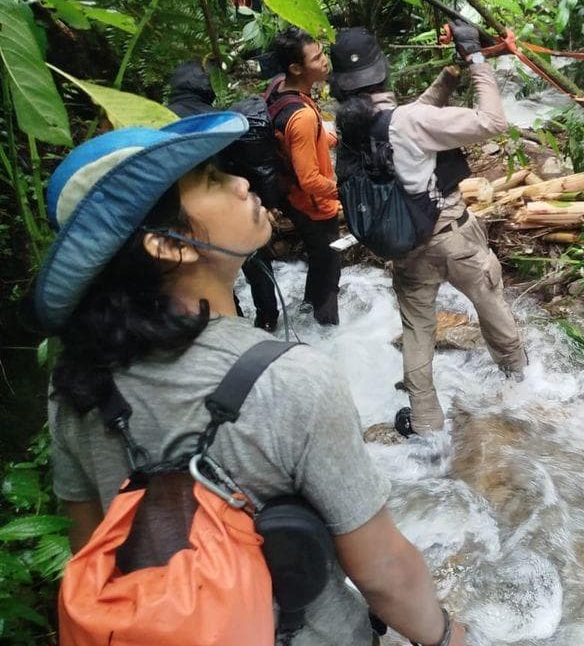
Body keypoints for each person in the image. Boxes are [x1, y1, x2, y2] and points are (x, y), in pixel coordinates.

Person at [35, 112, 467, 646]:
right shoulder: (291, 379)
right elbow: (382, 571)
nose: (242, 183)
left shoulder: (75, 385)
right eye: (213, 182)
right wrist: (448, 636)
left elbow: (92, 550)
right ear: (167, 244)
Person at [330, 24, 527, 436]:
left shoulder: (347, 130)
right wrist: (475, 60)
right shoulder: (409, 121)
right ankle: (522, 384)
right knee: (489, 301)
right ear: (382, 72)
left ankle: (425, 422)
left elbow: (408, 120)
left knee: (418, 330)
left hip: (405, 249)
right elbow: (493, 121)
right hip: (454, 237)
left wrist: (450, 75)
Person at [167, 59, 279, 332]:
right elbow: (246, 165)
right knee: (256, 267)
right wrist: (267, 201)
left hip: (182, 220)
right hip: (227, 209)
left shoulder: (159, 122)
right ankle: (267, 319)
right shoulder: (217, 119)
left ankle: (233, 321)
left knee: (212, 276)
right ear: (205, 88)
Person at [266, 27, 342, 326]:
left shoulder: (278, 88)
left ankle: (309, 308)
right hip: (312, 204)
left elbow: (293, 142)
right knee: (328, 267)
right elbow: (311, 180)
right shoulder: (304, 117)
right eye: (317, 57)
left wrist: (328, 140)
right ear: (296, 68)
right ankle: (326, 327)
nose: (325, 61)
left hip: (290, 195)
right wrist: (343, 191)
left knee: (319, 258)